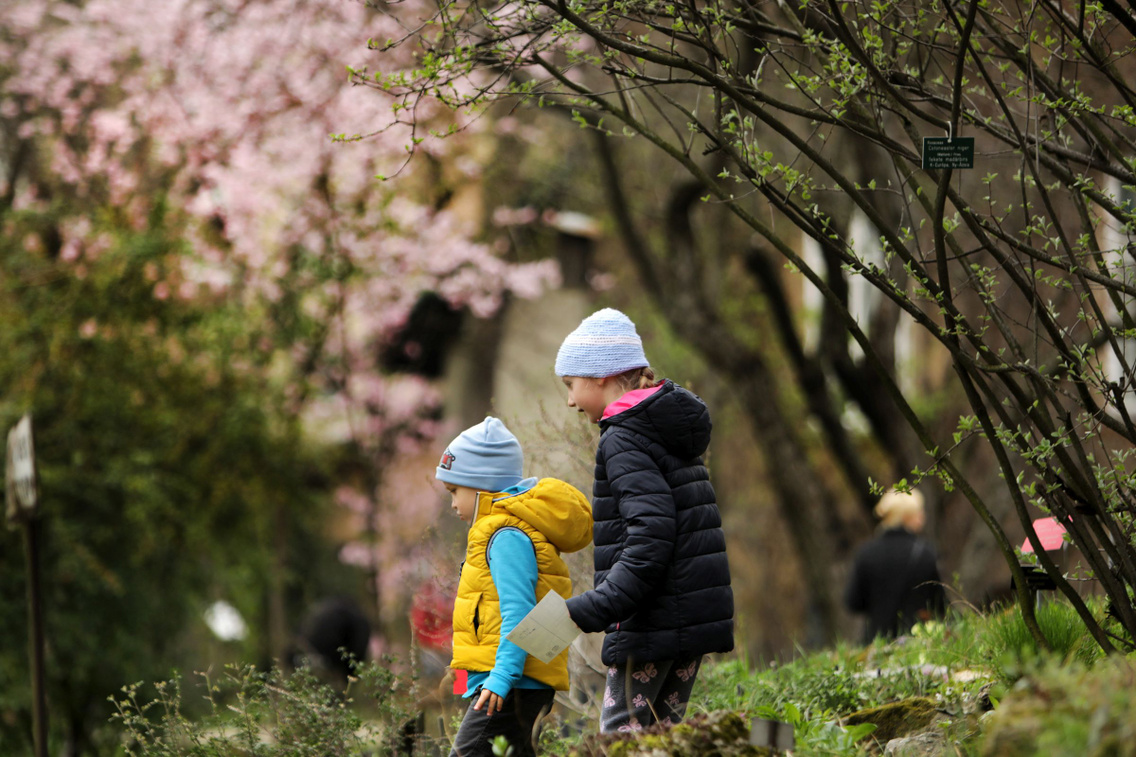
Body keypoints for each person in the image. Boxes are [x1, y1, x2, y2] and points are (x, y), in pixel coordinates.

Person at [554, 308, 734, 734]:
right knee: (664, 737)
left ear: (601, 376)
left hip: (651, 622)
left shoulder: (624, 437)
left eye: (571, 384)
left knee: (619, 737)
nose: (569, 400)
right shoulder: (663, 427)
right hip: (690, 615)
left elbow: (650, 538)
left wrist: (595, 607)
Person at [436, 416, 593, 757]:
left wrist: (502, 677)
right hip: (510, 680)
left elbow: (519, 611)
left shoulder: (506, 536)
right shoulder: (498, 532)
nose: (452, 504)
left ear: (481, 485)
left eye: (455, 491)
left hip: (513, 683)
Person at [844, 488, 947, 643]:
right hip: (918, 644)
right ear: (907, 517)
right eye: (919, 512)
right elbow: (940, 604)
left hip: (876, 644)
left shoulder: (866, 553)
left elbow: (853, 603)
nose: (923, 516)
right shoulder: (926, 553)